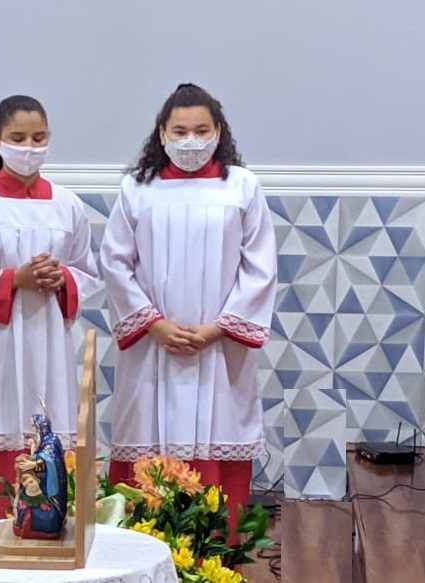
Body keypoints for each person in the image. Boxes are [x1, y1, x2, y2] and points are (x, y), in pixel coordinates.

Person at [98, 83, 278, 537]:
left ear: (219, 132)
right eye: (180, 131)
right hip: (152, 354)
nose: (191, 141)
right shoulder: (137, 190)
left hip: (218, 354)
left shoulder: (242, 186)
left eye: (201, 130)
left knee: (216, 464)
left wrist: (218, 329)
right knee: (146, 467)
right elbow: (115, 263)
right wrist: (154, 324)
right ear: (162, 134)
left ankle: (214, 561)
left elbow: (260, 268)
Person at [0, 94, 101, 523]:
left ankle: (50, 539)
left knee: (51, 443)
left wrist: (61, 280)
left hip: (49, 344)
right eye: (18, 138)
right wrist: (14, 279)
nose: (29, 147)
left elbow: (88, 273)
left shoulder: (67, 205)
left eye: (39, 137)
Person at [12, 413, 69, 539]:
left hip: (49, 486)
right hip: (40, 481)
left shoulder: (52, 441)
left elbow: (52, 463)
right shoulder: (41, 441)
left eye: (34, 426)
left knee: (47, 511)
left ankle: (47, 526)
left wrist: (33, 465)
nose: (32, 429)